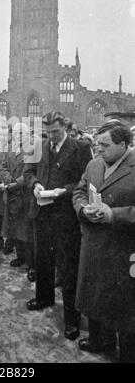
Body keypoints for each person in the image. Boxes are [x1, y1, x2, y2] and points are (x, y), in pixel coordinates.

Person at [24, 111, 92, 341]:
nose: (51, 136)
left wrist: (66, 191)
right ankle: (44, 298)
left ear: (65, 127)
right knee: (42, 259)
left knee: (67, 267)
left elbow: (86, 180)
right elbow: (28, 172)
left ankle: (72, 319)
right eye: (48, 132)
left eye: (56, 131)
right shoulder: (39, 145)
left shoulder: (81, 148)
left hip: (65, 216)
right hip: (42, 212)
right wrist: (35, 185)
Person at [73, 121, 135, 363]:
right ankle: (101, 341)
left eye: (105, 145)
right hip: (94, 245)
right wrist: (82, 209)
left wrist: (114, 215)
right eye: (97, 144)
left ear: (123, 144)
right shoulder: (94, 164)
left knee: (126, 310)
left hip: (125, 250)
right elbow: (79, 191)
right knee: (96, 297)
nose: (98, 149)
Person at [0, 123, 32, 270]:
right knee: (14, 228)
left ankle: (30, 261)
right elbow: (2, 168)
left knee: (25, 230)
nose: (18, 136)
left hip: (25, 195)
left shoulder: (31, 150)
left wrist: (15, 184)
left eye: (22, 133)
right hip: (11, 194)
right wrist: (9, 181)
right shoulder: (9, 149)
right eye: (16, 133)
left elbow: (29, 172)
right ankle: (20, 257)